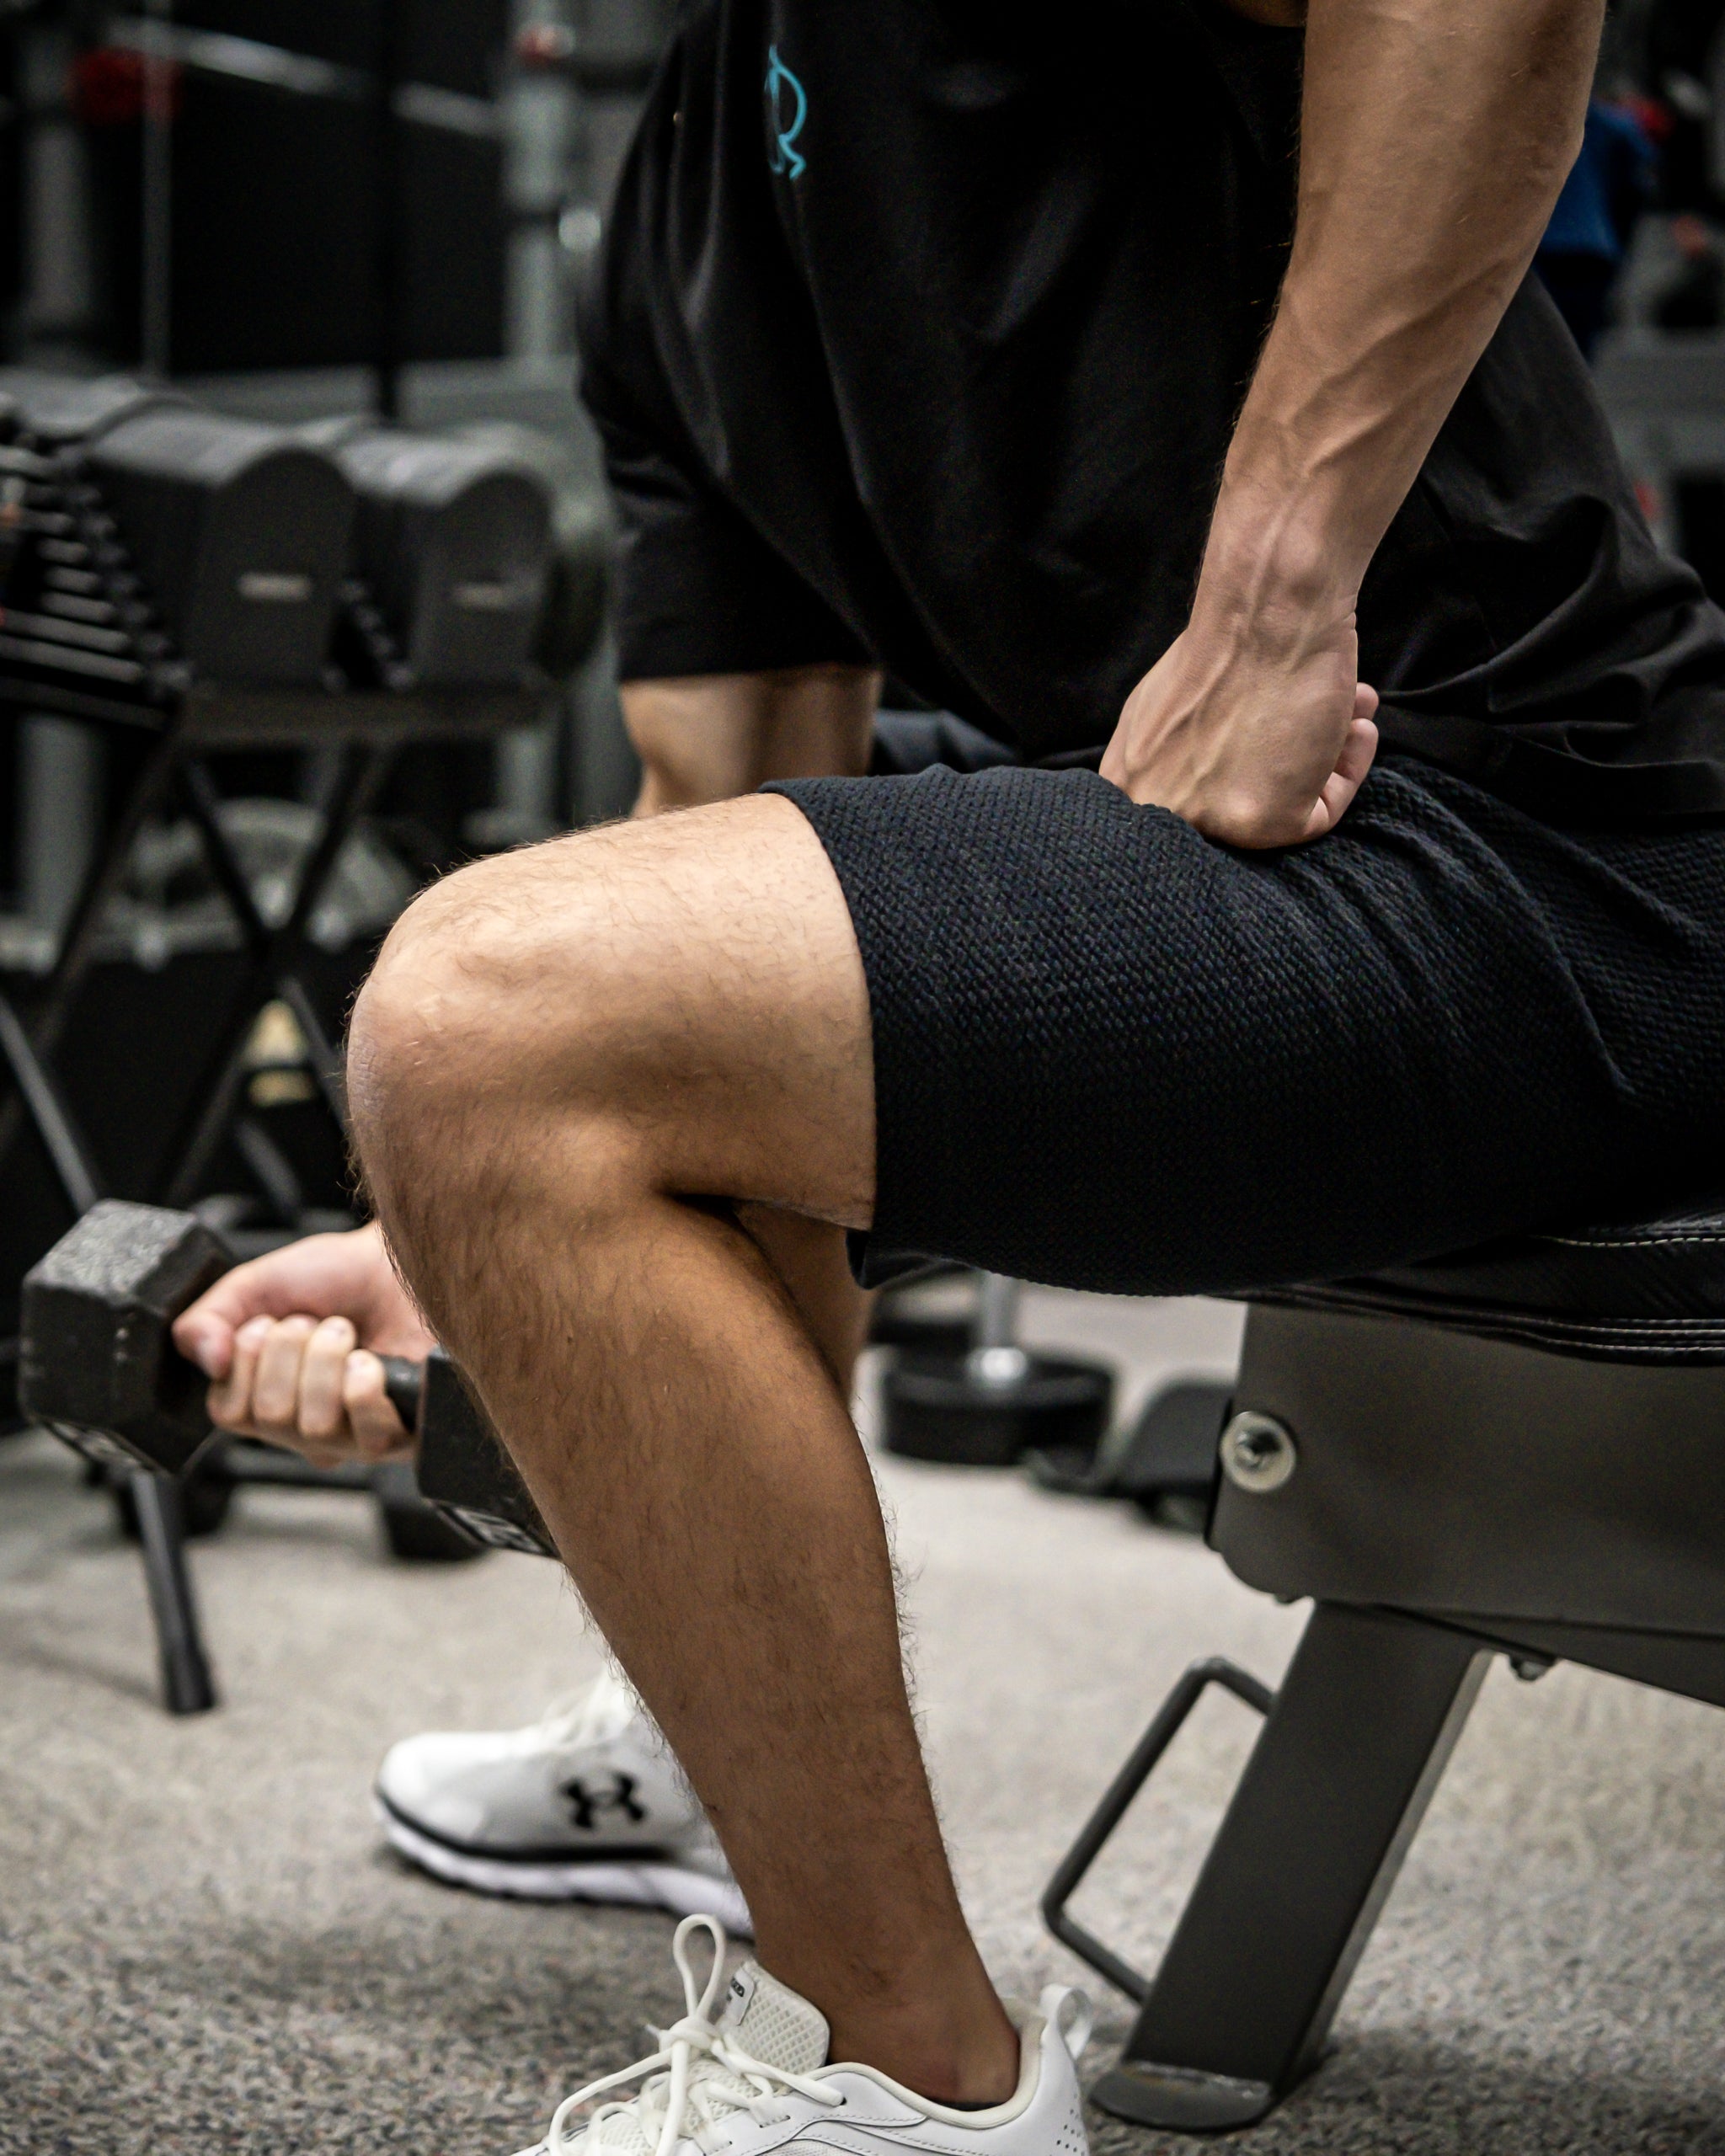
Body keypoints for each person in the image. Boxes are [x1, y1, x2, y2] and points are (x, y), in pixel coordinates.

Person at [174, 1, 1725, 2152]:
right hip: (1189, 842)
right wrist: (446, 1237)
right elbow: (719, 808)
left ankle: (911, 2079)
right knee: (524, 1014)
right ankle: (724, 1738)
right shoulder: (683, 222)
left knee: (472, 1009)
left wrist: (1285, 579)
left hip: (1542, 852)